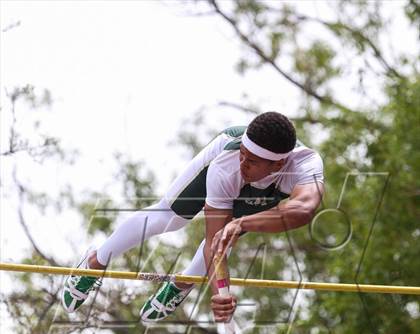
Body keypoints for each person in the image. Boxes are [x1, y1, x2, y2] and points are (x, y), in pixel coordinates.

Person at [62, 111, 324, 322]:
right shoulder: (228, 162)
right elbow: (214, 241)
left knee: (229, 236)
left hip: (268, 192)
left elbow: (303, 210)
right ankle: (95, 261)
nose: (243, 164)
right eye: (242, 154)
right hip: (219, 163)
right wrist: (221, 291)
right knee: (171, 217)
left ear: (278, 164)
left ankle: (181, 284)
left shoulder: (305, 165)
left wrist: (241, 224)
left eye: (251, 161)